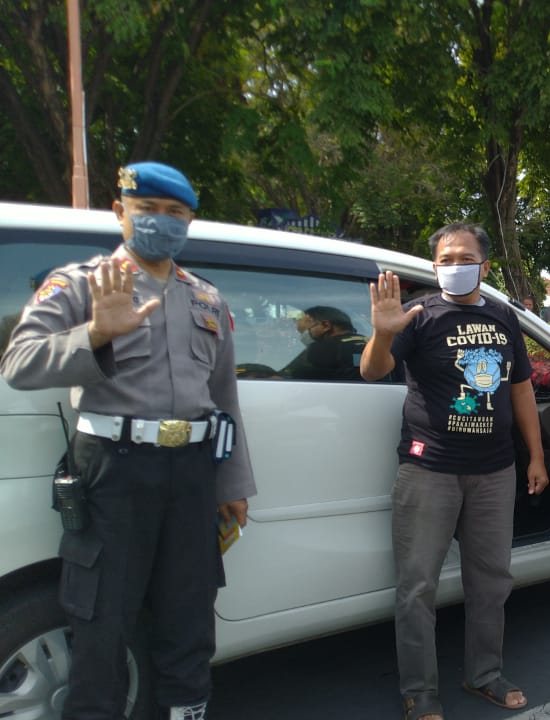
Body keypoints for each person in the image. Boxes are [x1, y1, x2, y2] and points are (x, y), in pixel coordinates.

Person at [0, 162, 255, 720]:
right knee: (102, 621)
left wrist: (232, 483)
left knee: (189, 617)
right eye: (149, 212)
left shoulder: (207, 299)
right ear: (120, 213)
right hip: (112, 471)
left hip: (192, 471)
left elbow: (224, 399)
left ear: (189, 221)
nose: (163, 223)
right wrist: (94, 334)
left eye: (176, 214)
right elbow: (18, 363)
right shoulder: (80, 284)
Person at [359, 222, 549, 720]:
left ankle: (484, 674)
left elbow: (522, 389)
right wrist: (383, 332)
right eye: (444, 259)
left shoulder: (504, 316)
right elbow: (372, 370)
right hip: (430, 469)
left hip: (494, 472)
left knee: (491, 580)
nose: (453, 266)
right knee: (418, 585)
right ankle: (419, 691)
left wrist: (536, 455)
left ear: (485, 267)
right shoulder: (418, 315)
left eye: (463, 258)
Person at [279, 305, 367, 380]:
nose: (304, 336)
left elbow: (291, 375)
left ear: (326, 325)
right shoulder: (369, 342)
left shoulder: (323, 348)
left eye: (307, 330)